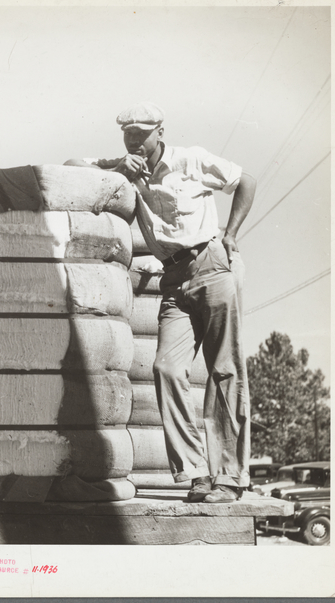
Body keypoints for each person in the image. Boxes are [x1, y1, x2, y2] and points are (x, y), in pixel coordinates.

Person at [66, 102, 256, 503]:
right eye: (128, 134)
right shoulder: (123, 168)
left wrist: (233, 232)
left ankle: (228, 478)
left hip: (212, 265)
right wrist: (118, 168)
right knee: (166, 367)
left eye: (142, 134)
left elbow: (246, 181)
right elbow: (69, 166)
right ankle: (196, 473)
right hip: (173, 279)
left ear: (160, 134)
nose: (135, 140)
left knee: (224, 369)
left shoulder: (191, 160)